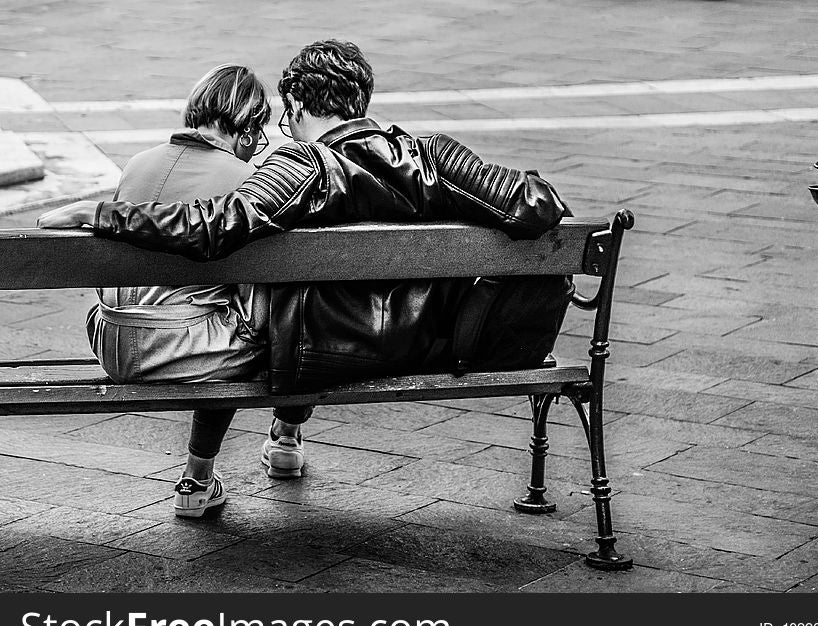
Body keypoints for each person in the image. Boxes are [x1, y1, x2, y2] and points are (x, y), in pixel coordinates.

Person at [38, 39, 573, 484]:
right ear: (361, 100)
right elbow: (539, 205)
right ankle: (286, 436)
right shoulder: (433, 154)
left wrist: (106, 213)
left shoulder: (302, 163)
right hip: (427, 345)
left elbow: (214, 226)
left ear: (294, 106)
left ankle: (224, 462)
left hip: (321, 355)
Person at [81, 63, 312, 519]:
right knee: (298, 314)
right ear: (246, 129)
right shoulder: (243, 180)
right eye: (257, 134)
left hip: (109, 341)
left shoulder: (138, 163)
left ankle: (226, 466)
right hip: (180, 348)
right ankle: (258, 449)